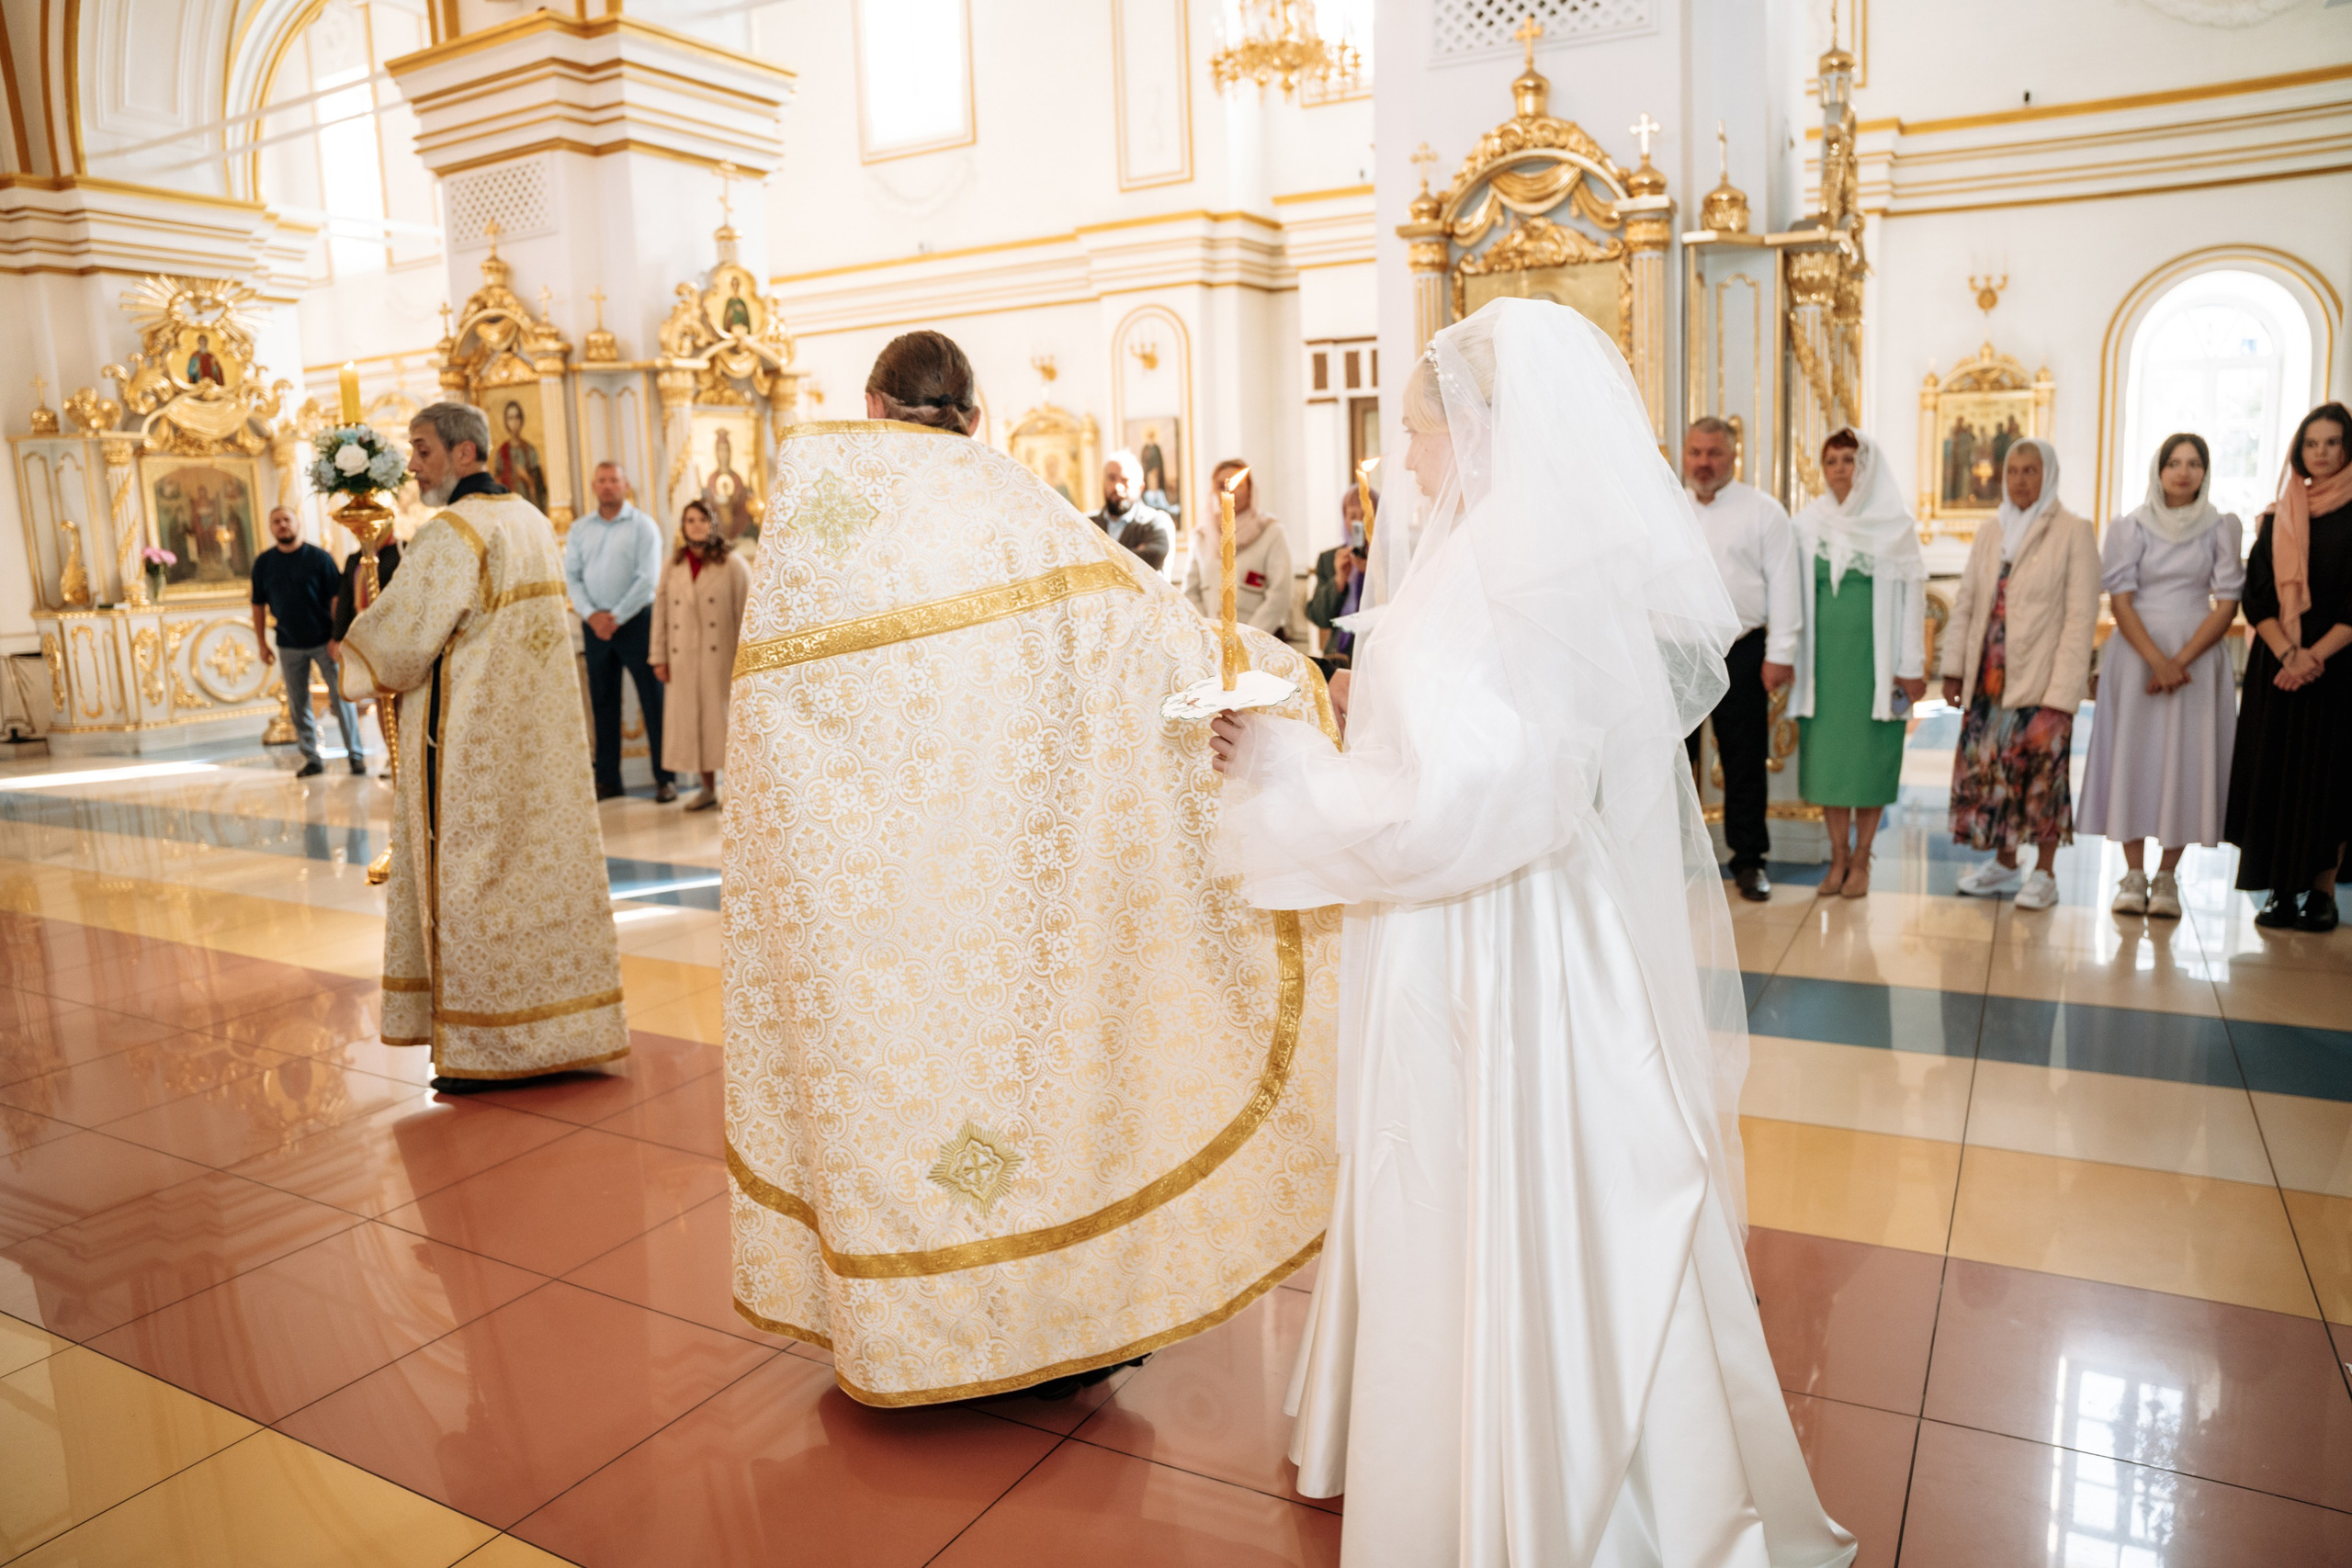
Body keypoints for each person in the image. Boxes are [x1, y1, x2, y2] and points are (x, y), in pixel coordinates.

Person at [1208, 299, 1853, 1567]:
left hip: (1490, 942)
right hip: (1526, 922)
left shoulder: (1500, 567)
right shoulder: (1520, 551)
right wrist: (1355, 699)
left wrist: (1287, 766)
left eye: (1417, 432)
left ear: (1484, 425)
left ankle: (1534, 1489)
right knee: (1532, 1196)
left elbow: (1467, 806)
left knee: (1486, 1181)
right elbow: (1497, 748)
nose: (1404, 459)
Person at [722, 328, 1340, 1406]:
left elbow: (771, 716)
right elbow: (1143, 638)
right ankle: (1036, 1318)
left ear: (873, 405)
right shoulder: (1010, 506)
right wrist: (1281, 673)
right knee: (1014, 1098)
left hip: (860, 903)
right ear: (973, 413)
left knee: (891, 1098)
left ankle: (900, 1328)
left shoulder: (814, 522)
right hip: (1006, 887)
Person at [337, 401, 627, 1089]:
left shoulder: (452, 533)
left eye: (424, 450)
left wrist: (358, 638)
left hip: (469, 748)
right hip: (543, 746)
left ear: (467, 454)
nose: (414, 465)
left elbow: (402, 643)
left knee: (471, 881)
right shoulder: (529, 519)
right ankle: (565, 1031)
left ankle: (483, 1044)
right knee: (542, 879)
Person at [2080, 434, 2244, 919]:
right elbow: (2121, 600)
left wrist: (2182, 660)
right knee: (2134, 757)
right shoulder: (2130, 527)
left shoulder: (2221, 527)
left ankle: (2168, 876)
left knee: (2187, 760)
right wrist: (2157, 660)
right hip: (2135, 657)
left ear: (2205, 472)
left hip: (2199, 656)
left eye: (2194, 464)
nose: (2183, 472)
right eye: (2174, 462)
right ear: (2159, 468)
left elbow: (2228, 602)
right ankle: (2133, 874)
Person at [1941, 438, 2100, 911]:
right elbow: (1968, 602)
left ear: (2048, 475)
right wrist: (1953, 669)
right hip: (1988, 681)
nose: (2021, 480)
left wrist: (2062, 694)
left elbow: (2080, 618)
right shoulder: (1992, 531)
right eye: (2013, 471)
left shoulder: (2074, 531)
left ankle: (2045, 873)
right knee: (1992, 772)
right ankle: (2006, 863)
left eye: (2031, 470)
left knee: (2040, 777)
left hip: (2041, 679)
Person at [2225, 402, 2352, 931]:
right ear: (2298, 451)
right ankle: (2278, 889)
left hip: (2339, 668)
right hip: (2277, 668)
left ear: (2347, 448)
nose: (2319, 453)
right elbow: (2255, 595)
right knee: (2275, 774)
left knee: (2330, 778)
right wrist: (2289, 655)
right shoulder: (2277, 516)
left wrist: (2313, 657)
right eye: (2310, 443)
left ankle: (2322, 891)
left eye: (2331, 443)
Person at [1789, 429, 1928, 898]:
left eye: (1850, 460)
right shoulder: (1807, 524)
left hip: (1876, 669)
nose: (1840, 469)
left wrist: (1912, 663)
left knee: (1870, 764)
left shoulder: (1895, 526)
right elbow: (1791, 596)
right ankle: (1837, 858)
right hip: (1824, 670)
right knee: (1829, 765)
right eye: (1831, 461)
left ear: (1867, 467)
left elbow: (1913, 601)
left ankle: (1863, 857)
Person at [1682, 414, 1801, 901]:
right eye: (1696, 452)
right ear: (1685, 455)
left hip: (1742, 650)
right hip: (1679, 650)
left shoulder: (1763, 511)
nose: (1704, 462)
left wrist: (1780, 654)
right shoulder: (1666, 508)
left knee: (1744, 761)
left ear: (1733, 456)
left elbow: (1786, 587)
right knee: (1669, 759)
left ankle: (1749, 861)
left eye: (1714, 453)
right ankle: (1667, 857)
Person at [565, 461, 673, 803]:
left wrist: (616, 616)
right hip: (595, 625)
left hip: (638, 622)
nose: (608, 486)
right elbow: (573, 578)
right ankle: (609, 779)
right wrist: (593, 615)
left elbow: (648, 578)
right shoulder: (580, 529)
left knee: (653, 701)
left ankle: (665, 778)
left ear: (626, 484)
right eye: (602, 481)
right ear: (594, 486)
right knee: (603, 702)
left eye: (614, 480)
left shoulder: (644, 526)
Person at [650, 499, 751, 811]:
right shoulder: (673, 564)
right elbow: (662, 612)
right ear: (683, 526)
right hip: (684, 657)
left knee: (722, 723)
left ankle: (733, 791)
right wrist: (659, 657)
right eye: (690, 520)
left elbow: (747, 614)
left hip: (721, 656)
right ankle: (707, 789)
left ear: (713, 524)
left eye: (702, 520)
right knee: (695, 723)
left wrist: (746, 661)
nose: (696, 525)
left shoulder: (733, 563)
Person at [251, 506, 366, 778]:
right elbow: (258, 605)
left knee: (342, 698)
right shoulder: (264, 563)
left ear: (297, 523)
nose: (282, 525)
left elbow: (337, 600)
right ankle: (312, 757)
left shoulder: (319, 558)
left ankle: (356, 755)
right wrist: (261, 644)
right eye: (276, 521)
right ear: (271, 527)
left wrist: (338, 637)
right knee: (297, 702)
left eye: (286, 520)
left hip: (324, 641)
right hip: (288, 643)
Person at [1183, 458, 1293, 639]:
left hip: (1259, 639)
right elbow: (1190, 592)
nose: (1229, 490)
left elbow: (1280, 594)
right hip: (1212, 640)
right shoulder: (1202, 535)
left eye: (1238, 484)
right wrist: (1207, 632)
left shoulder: (1270, 531)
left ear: (1250, 489)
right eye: (1221, 485)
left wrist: (1247, 638)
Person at [332, 533, 401, 778]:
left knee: (402, 699)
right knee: (381, 698)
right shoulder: (355, 559)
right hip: (366, 634)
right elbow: (345, 598)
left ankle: (408, 751)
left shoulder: (402, 551)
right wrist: (338, 636)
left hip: (397, 632)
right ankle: (393, 753)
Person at [1306, 487, 1374, 671]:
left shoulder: (1387, 559)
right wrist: (1339, 580)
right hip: (1338, 656)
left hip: (1374, 654)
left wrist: (1371, 572)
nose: (1359, 523)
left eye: (1366, 515)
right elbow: (1319, 617)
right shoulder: (1329, 559)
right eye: (1352, 517)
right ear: (1344, 520)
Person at [1090, 449, 1173, 571]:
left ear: (1141, 487)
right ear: (1103, 482)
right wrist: (1133, 554)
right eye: (1112, 478)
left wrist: (1095, 558)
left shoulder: (1157, 521)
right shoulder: (1086, 523)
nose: (1117, 487)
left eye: (1125, 480)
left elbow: (1153, 557)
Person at [492, 399, 548, 513]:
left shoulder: (530, 450)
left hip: (527, 509)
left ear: (521, 419)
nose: (514, 422)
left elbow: (540, 489)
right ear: (506, 422)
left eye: (517, 417)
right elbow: (496, 484)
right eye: (510, 418)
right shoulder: (502, 451)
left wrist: (527, 478)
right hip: (508, 509)